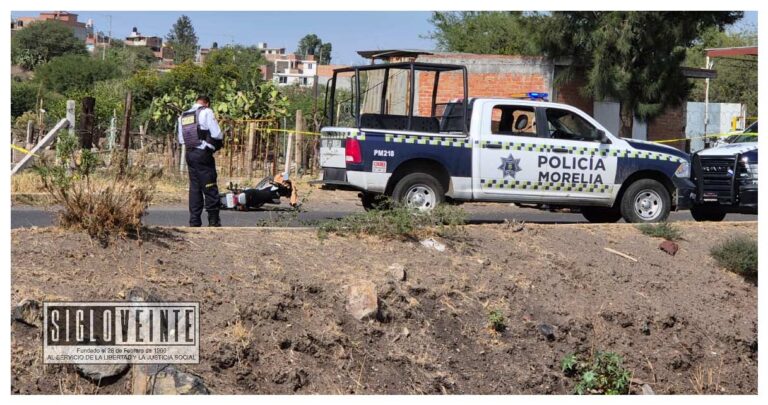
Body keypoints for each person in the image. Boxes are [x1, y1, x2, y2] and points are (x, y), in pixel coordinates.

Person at [178, 95, 223, 227]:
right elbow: (217, 134)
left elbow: (181, 139)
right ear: (207, 104)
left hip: (190, 154)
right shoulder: (206, 112)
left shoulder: (183, 116)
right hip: (203, 154)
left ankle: (194, 221)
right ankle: (214, 221)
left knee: (195, 188)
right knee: (210, 187)